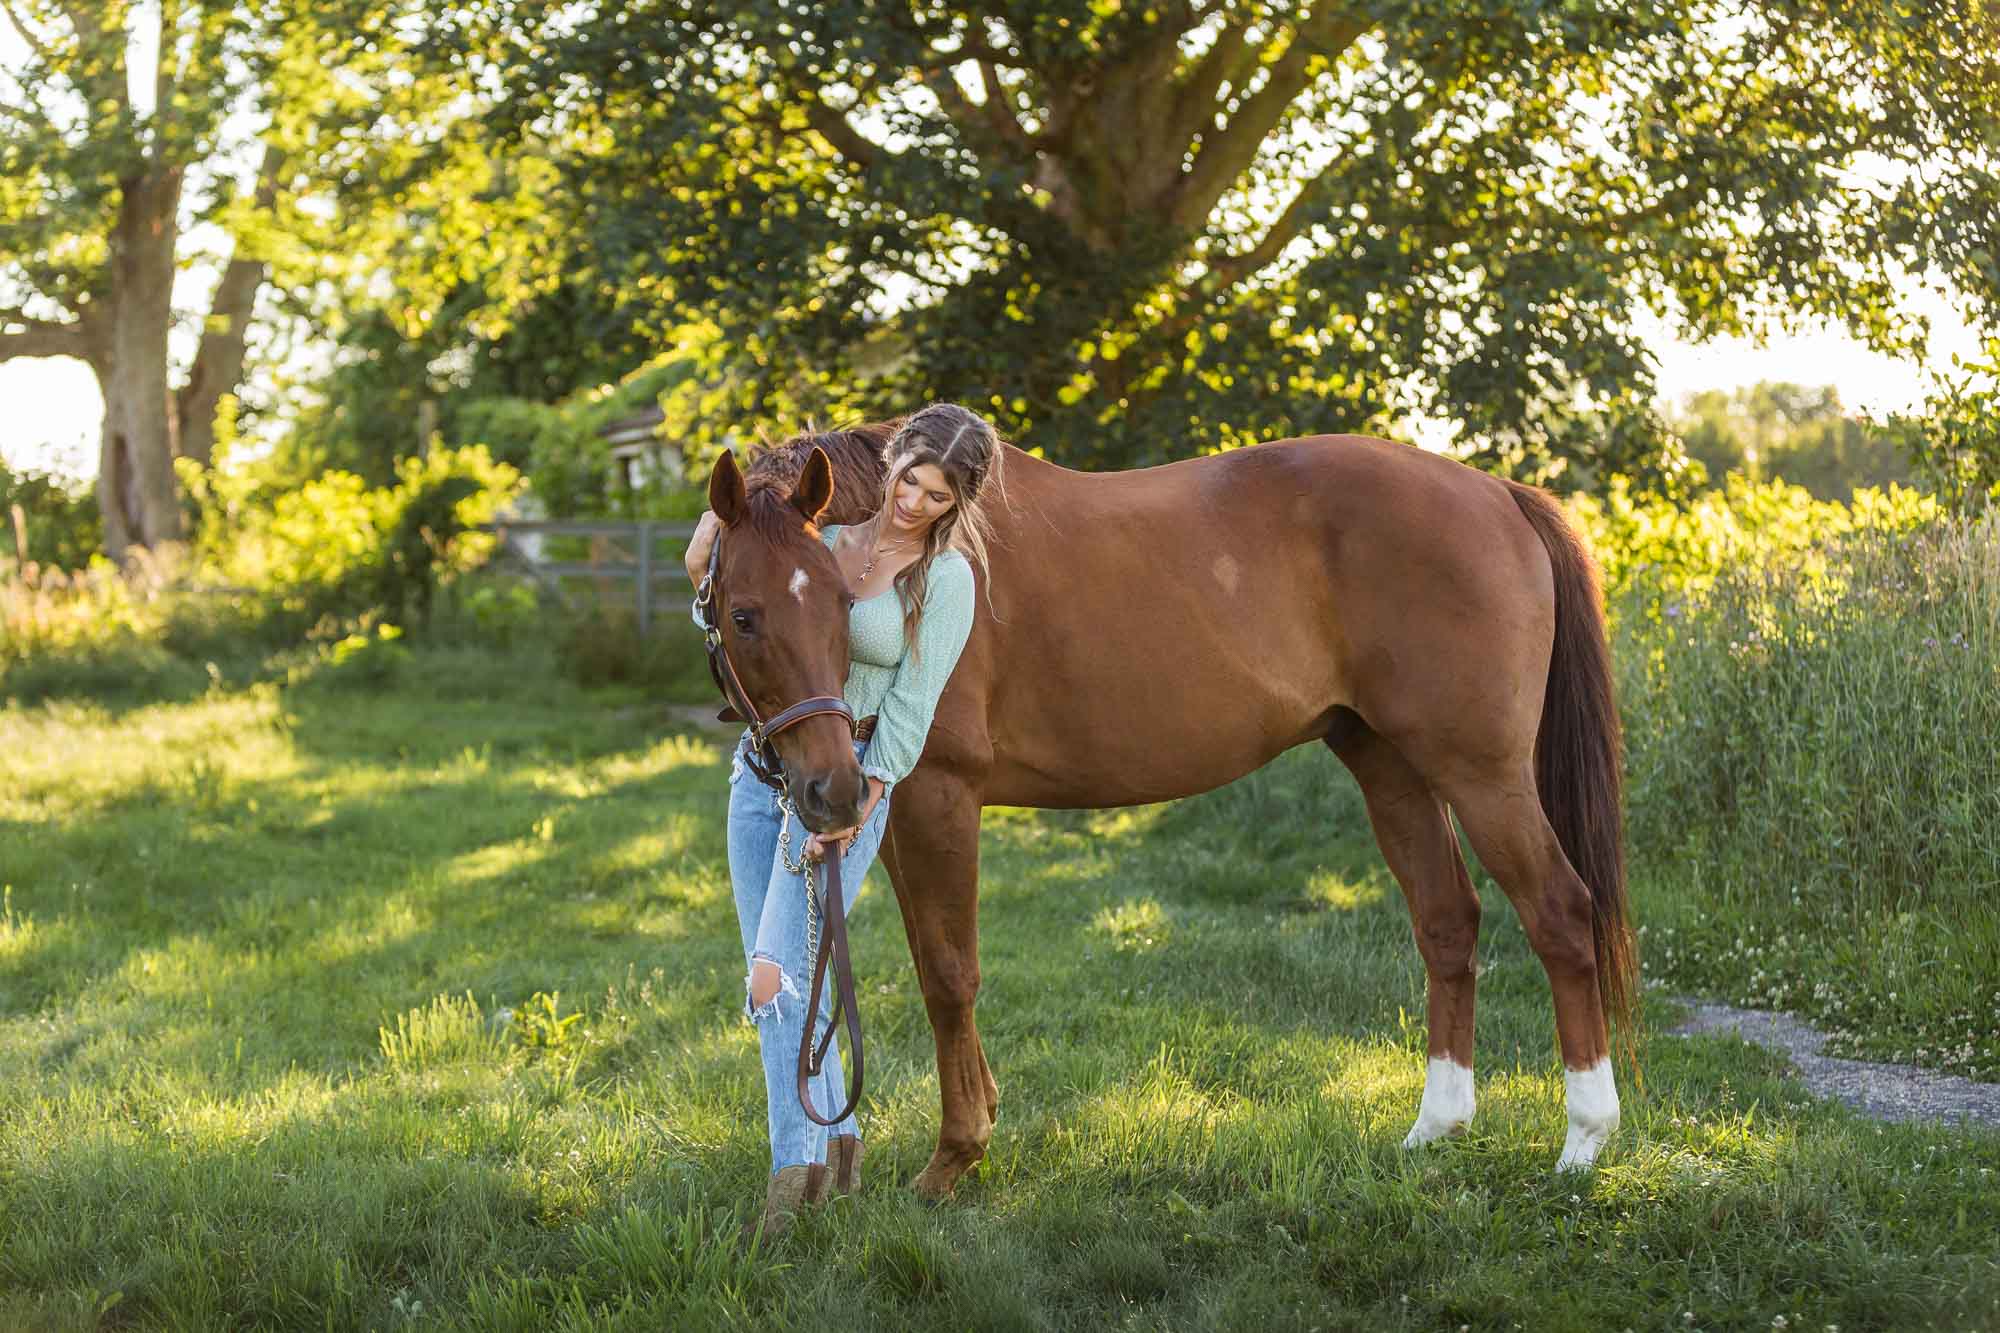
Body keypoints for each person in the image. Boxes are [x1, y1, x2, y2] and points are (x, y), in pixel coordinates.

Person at [683, 403, 1004, 1236]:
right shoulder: (828, 543)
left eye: (938, 495)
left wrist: (865, 795)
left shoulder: (947, 580)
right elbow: (745, 599)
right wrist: (706, 544)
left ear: (954, 504)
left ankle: (794, 1180)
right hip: (765, 771)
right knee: (795, 973)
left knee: (773, 978)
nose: (914, 501)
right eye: (910, 478)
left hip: (844, 781)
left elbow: (914, 703)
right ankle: (845, 1145)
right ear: (890, 464)